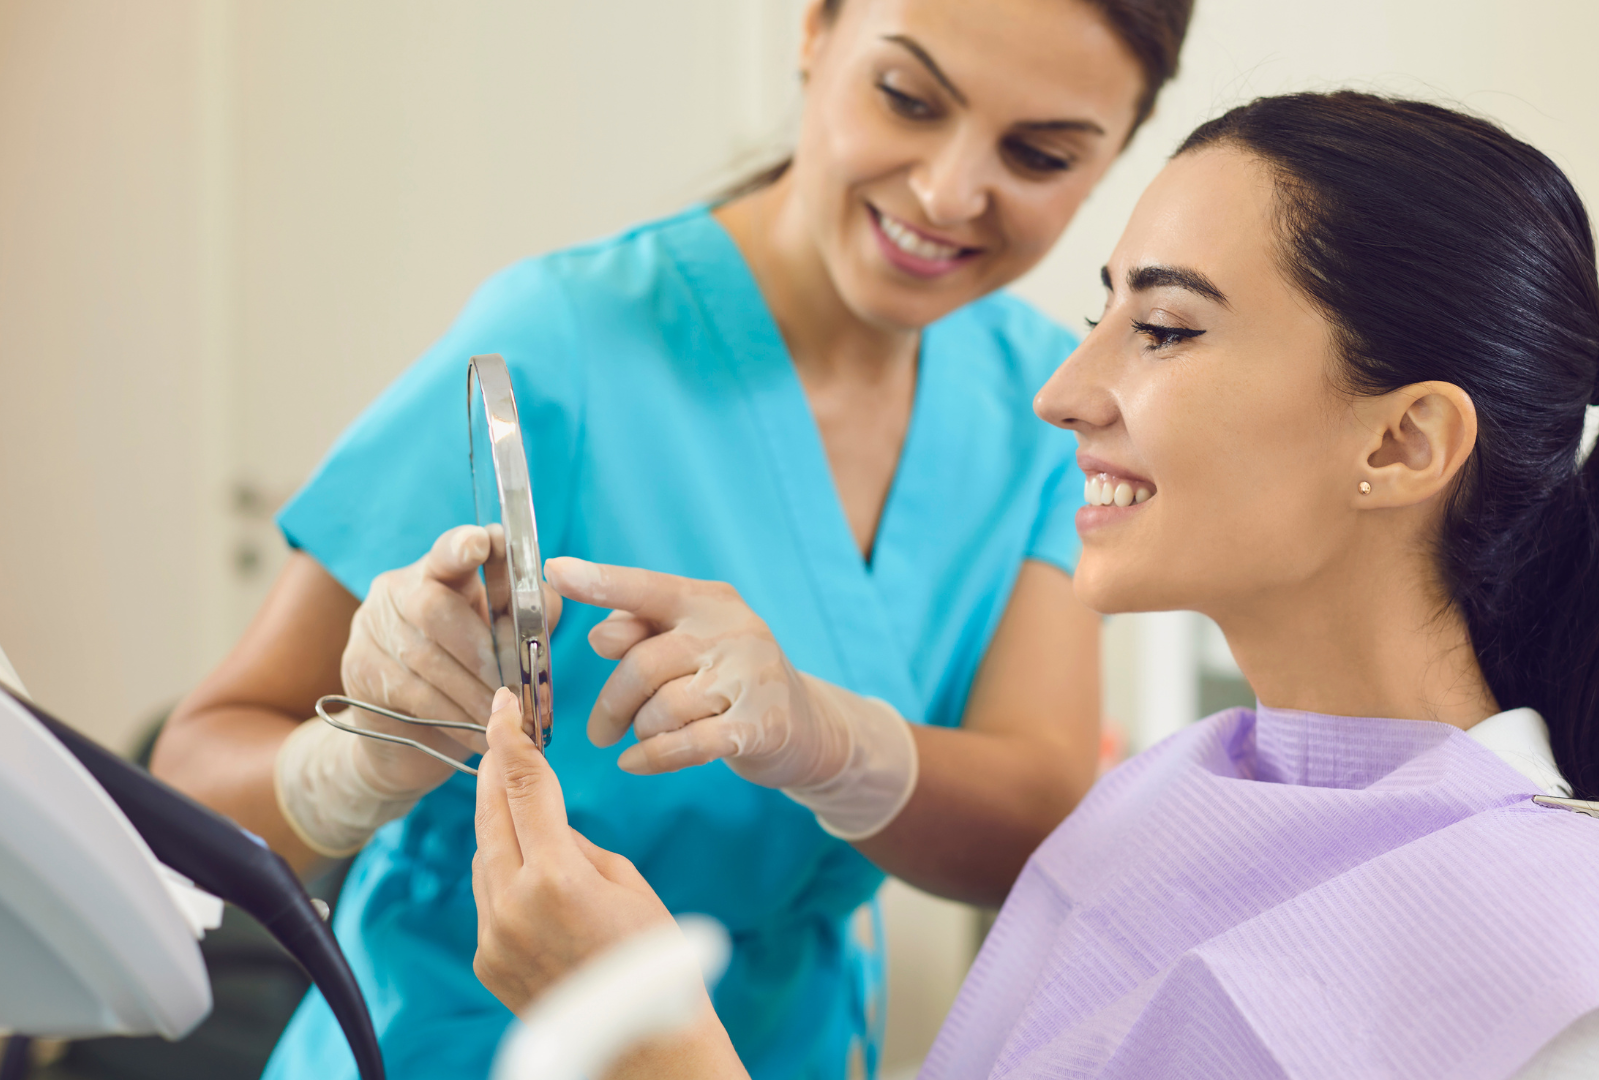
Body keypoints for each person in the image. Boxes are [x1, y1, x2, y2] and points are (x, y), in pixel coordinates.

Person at [463, 92, 1599, 1079]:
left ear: (1402, 442)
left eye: (1163, 329)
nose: (1063, 390)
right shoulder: (1170, 794)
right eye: (1104, 310)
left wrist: (647, 1044)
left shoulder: (1559, 947)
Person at [151, 1, 1196, 1076]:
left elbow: (1035, 823)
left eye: (1038, 153)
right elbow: (189, 785)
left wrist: (829, 741)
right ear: (814, 33)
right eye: (908, 99)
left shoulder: (1047, 403)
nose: (946, 191)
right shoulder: (559, 342)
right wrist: (361, 759)